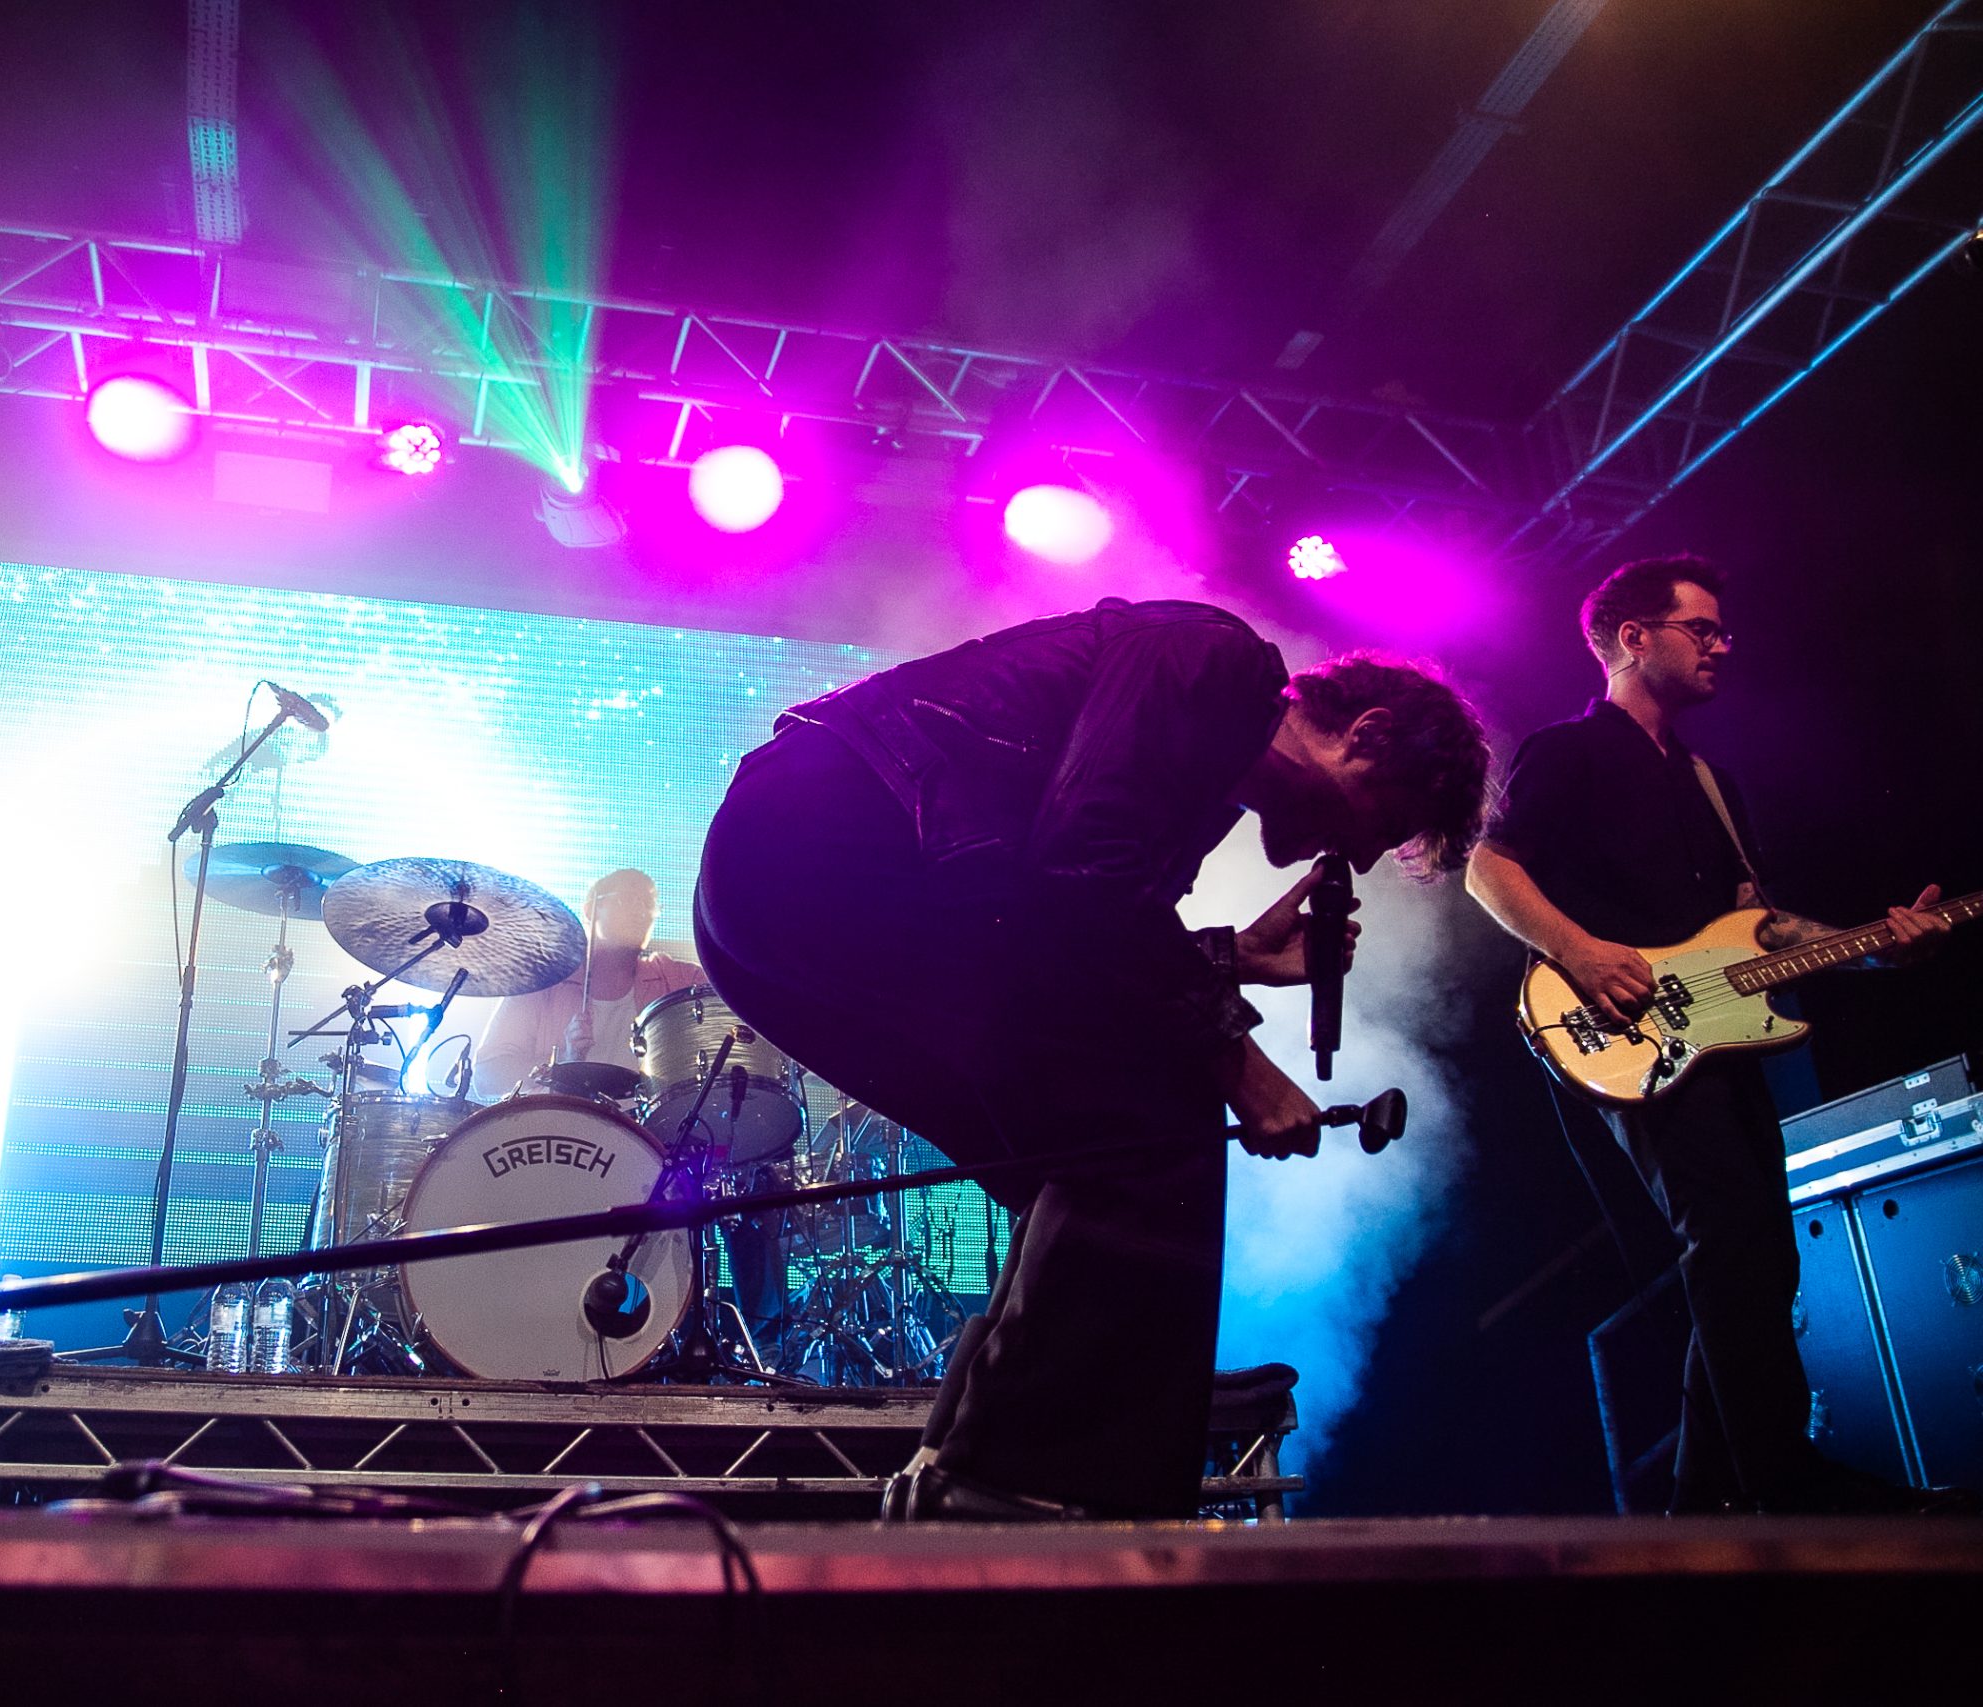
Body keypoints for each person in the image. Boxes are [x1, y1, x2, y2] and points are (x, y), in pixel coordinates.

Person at [693, 598, 1491, 1519]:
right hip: (828, 844)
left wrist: (1227, 958)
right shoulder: (1217, 662)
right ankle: (1033, 1484)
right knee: (1152, 1115)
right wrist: (1240, 1062)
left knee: (1068, 1151)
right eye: (1386, 823)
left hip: (783, 899)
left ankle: (965, 1473)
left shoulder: (1202, 783)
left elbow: (1074, 940)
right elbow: (1080, 883)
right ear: (1368, 732)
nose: (1361, 854)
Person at [1464, 555, 1953, 1514]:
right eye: (1702, 628)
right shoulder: (1568, 751)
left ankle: (1700, 1502)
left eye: (1723, 630)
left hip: (1722, 1035)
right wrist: (1581, 950)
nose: (1723, 644)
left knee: (1760, 1250)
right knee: (1729, 1237)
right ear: (1633, 637)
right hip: (1623, 1032)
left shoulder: (1709, 782)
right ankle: (1783, 1483)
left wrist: (1877, 950)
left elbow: (1762, 927)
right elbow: (1489, 867)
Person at [473, 869, 704, 1100]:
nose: (641, 911)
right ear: (590, 910)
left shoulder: (674, 977)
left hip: (649, 1124)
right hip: (553, 1121)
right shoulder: (544, 979)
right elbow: (486, 1075)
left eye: (649, 904)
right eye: (627, 899)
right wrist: (562, 1064)